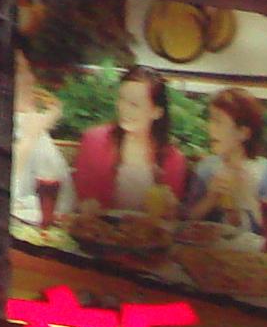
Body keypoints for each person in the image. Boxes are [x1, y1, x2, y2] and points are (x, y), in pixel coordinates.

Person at [184, 85, 267, 246]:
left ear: (243, 132)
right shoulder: (206, 169)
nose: (210, 128)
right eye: (211, 120)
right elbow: (186, 221)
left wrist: (249, 199)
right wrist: (210, 198)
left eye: (218, 122)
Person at [70, 64, 187, 215]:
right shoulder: (94, 141)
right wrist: (86, 205)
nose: (124, 109)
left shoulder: (173, 159)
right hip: (99, 227)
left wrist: (172, 208)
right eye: (122, 99)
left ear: (156, 112)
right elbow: (80, 199)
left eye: (134, 104)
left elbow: (171, 218)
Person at [10, 54, 71, 233]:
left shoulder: (33, 124)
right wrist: (30, 137)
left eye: (28, 71)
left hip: (47, 230)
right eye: (22, 72)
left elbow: (64, 198)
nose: (31, 79)